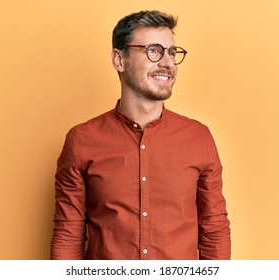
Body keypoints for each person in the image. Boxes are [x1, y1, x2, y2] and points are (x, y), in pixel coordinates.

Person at [51, 10, 231, 260]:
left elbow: (214, 229)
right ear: (119, 60)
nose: (167, 63)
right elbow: (68, 232)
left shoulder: (199, 138)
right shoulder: (81, 140)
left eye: (171, 52)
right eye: (154, 51)